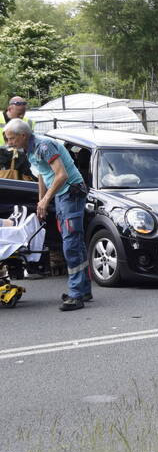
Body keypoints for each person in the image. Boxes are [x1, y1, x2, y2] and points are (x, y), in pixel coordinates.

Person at [2, 118, 92, 311]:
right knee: (75, 242)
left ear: (23, 136)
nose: (9, 143)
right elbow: (43, 173)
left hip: (71, 192)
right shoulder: (29, 149)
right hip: (61, 194)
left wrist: (45, 200)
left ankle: (76, 295)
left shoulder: (44, 146)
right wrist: (40, 201)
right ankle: (83, 289)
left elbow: (62, 175)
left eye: (11, 139)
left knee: (71, 244)